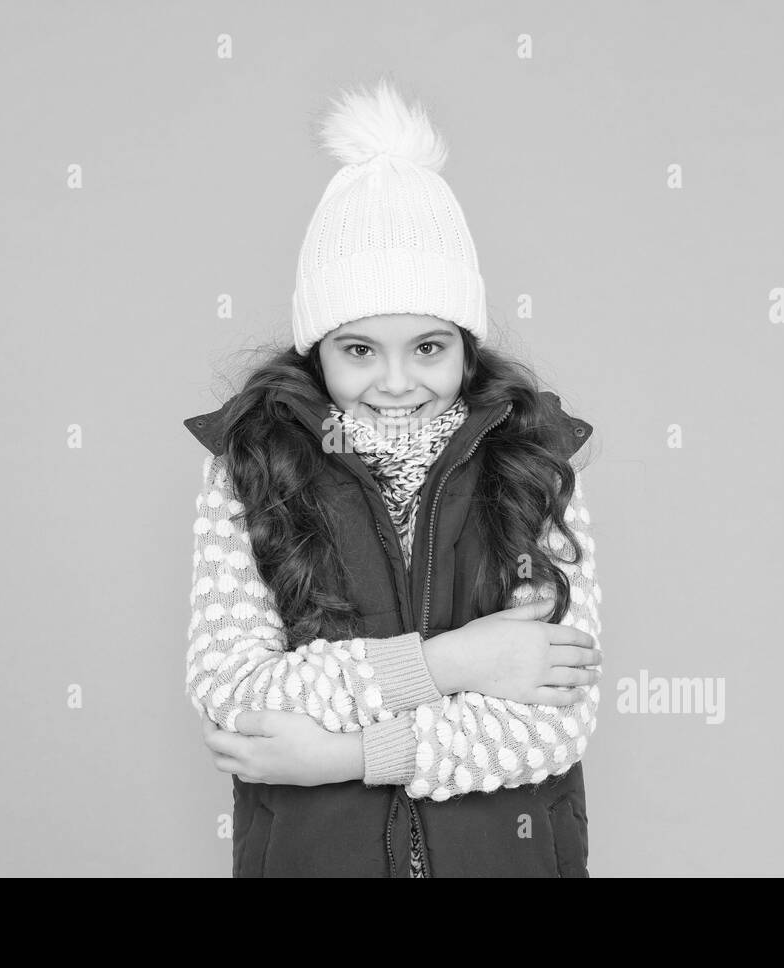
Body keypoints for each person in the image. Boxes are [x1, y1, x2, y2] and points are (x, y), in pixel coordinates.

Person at [182, 76, 604, 877]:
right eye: (360, 350)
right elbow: (237, 697)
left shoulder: (534, 463)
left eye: (429, 347)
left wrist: (346, 754)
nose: (397, 381)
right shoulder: (251, 469)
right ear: (319, 349)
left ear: (467, 345)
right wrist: (455, 663)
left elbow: (554, 721)